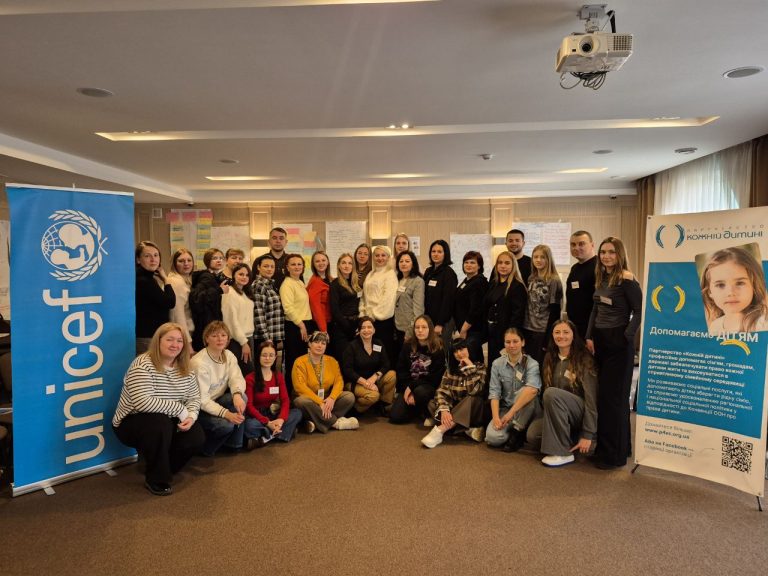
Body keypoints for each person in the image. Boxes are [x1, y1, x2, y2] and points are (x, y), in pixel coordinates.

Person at [112, 322, 204, 496]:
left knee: (196, 436)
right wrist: (179, 410)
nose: (175, 345)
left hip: (166, 419)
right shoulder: (142, 364)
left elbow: (194, 397)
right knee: (160, 423)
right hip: (132, 422)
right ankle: (156, 478)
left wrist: (191, 416)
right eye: (169, 339)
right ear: (158, 341)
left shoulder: (186, 367)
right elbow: (142, 402)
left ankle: (164, 466)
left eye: (179, 341)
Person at [586, 236, 642, 470]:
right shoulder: (602, 277)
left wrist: (626, 335)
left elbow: (640, 311)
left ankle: (613, 456)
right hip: (600, 341)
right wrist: (589, 336)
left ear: (620, 255)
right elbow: (595, 310)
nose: (606, 256)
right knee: (605, 399)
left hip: (618, 343)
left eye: (611, 252)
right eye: (603, 252)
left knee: (614, 401)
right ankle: (617, 448)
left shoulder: (626, 279)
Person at [527, 320, 598, 467]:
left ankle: (563, 453)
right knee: (533, 435)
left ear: (573, 335)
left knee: (551, 393)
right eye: (557, 332)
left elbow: (592, 399)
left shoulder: (584, 359)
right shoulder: (549, 358)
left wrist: (588, 434)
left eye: (566, 332)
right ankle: (568, 439)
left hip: (579, 413)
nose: (561, 336)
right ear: (552, 335)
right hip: (558, 414)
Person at [190, 321, 248, 456]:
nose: (220, 339)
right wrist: (227, 414)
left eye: (223, 335)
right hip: (197, 408)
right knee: (225, 425)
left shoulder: (228, 355)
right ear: (207, 339)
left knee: (242, 397)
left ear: (228, 339)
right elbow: (202, 400)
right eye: (214, 335)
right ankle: (206, 450)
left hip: (215, 400)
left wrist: (237, 394)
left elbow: (236, 377)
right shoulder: (199, 363)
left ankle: (234, 444)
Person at [421, 338, 487, 448]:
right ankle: (465, 430)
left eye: (462, 349)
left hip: (472, 410)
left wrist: (469, 368)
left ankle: (441, 430)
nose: (459, 354)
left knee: (471, 399)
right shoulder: (450, 370)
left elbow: (474, 391)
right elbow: (442, 391)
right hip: (454, 408)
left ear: (469, 349)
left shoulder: (481, 367)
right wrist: (444, 409)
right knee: (432, 403)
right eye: (455, 351)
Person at [484, 327, 541, 452]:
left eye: (515, 341)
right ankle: (514, 430)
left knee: (527, 392)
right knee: (493, 438)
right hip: (506, 409)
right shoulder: (497, 364)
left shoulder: (532, 364)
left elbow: (532, 390)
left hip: (528, 409)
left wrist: (510, 414)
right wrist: (496, 418)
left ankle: (517, 432)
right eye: (508, 342)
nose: (511, 345)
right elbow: (494, 393)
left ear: (523, 342)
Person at [292, 331, 358, 433]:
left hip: (326, 398)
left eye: (323, 343)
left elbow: (339, 381)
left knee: (349, 397)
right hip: (309, 399)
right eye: (316, 342)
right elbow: (300, 387)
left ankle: (315, 422)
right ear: (309, 344)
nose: (320, 346)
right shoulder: (299, 362)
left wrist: (332, 398)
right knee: (300, 401)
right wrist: (320, 402)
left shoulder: (332, 361)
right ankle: (335, 423)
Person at [389, 315, 446, 424]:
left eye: (424, 327)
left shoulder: (437, 347)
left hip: (427, 386)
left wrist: (412, 387)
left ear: (430, 329)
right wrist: (408, 389)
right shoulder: (407, 345)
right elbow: (401, 370)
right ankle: (418, 410)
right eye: (417, 327)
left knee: (420, 393)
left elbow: (435, 378)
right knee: (396, 417)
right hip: (408, 386)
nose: (420, 330)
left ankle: (422, 407)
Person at [244, 341, 302, 445]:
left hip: (273, 412)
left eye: (271, 355)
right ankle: (282, 433)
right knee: (249, 425)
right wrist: (267, 422)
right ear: (258, 357)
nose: (267, 358)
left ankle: (265, 437)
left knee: (297, 413)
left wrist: (280, 419)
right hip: (256, 416)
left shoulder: (278, 376)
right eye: (264, 355)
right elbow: (249, 406)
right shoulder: (250, 378)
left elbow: (285, 400)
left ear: (275, 357)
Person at [700, 246, 768, 334]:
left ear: (754, 285)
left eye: (740, 283)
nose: (730, 293)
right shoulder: (714, 327)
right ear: (709, 291)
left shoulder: (762, 324)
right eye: (720, 285)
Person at [342, 316, 397, 414]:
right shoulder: (352, 346)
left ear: (374, 330)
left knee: (392, 375)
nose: (366, 330)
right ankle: (355, 409)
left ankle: (383, 406)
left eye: (369, 327)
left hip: (372, 380)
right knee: (374, 396)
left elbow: (386, 364)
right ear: (359, 331)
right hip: (355, 382)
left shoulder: (378, 343)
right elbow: (348, 370)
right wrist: (365, 383)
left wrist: (375, 377)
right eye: (363, 328)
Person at [280, 253, 317, 393]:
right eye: (293, 264)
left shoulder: (300, 282)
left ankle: (301, 390)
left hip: (304, 324)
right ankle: (290, 393)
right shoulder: (287, 284)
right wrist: (301, 325)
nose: (297, 267)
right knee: (294, 361)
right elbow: (288, 308)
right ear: (287, 267)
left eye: (299, 264)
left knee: (303, 360)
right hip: (295, 326)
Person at [483, 251, 527, 367]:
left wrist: (510, 338)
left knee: (504, 366)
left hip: (506, 333)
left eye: (507, 263)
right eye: (500, 263)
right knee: (493, 364)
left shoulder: (517, 286)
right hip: (492, 332)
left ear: (513, 265)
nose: (503, 266)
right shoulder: (494, 283)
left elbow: (518, 316)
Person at [523, 244, 563, 365]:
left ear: (548, 259)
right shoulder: (531, 278)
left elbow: (555, 310)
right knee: (528, 364)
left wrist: (549, 336)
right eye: (535, 257)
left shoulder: (554, 280)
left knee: (540, 364)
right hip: (528, 327)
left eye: (542, 257)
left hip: (542, 330)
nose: (538, 260)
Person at [135, 241, 176, 355]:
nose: (153, 259)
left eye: (156, 255)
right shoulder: (143, 280)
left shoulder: (147, 277)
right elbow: (170, 302)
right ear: (138, 260)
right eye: (147, 256)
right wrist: (166, 280)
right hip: (147, 337)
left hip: (150, 335)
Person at [359, 245, 399, 364]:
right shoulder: (371, 274)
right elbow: (364, 296)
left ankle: (386, 375)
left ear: (388, 257)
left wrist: (373, 316)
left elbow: (388, 299)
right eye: (377, 255)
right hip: (368, 320)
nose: (380, 258)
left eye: (383, 255)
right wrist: (363, 315)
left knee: (383, 352)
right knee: (372, 352)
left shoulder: (390, 274)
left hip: (382, 320)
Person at [189, 248, 229, 351]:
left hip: (210, 326)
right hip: (206, 326)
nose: (219, 260)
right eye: (214, 258)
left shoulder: (215, 277)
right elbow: (196, 299)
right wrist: (219, 290)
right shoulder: (206, 277)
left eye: (221, 258)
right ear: (207, 261)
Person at [453, 250, 488, 364]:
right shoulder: (467, 281)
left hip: (473, 330)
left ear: (479, 266)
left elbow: (475, 309)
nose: (468, 265)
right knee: (473, 359)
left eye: (472, 262)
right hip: (466, 329)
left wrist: (464, 329)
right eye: (466, 262)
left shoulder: (479, 282)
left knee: (470, 360)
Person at [423, 239, 458, 351]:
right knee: (429, 350)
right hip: (428, 320)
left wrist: (440, 324)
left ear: (445, 254)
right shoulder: (428, 271)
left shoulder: (449, 274)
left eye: (439, 251)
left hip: (443, 322)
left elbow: (448, 301)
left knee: (441, 351)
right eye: (433, 251)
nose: (436, 254)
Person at [221, 262, 255, 375]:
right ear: (234, 275)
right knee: (243, 373)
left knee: (249, 374)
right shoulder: (229, 292)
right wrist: (243, 343)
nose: (244, 277)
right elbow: (231, 321)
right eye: (241, 274)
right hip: (237, 340)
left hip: (248, 337)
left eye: (247, 275)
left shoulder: (245, 292)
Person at [565, 230, 597, 340]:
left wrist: (591, 335)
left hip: (591, 330)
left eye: (581, 244)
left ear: (592, 245)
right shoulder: (575, 268)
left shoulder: (599, 267)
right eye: (573, 244)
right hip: (575, 328)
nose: (576, 247)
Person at [329, 253, 362, 359]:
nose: (347, 266)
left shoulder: (356, 284)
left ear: (353, 266)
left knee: (355, 359)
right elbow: (335, 310)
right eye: (343, 263)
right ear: (339, 265)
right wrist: (348, 327)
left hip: (356, 326)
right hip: (341, 328)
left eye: (350, 263)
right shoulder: (335, 284)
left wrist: (358, 325)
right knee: (343, 359)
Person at [393, 250, 425, 356]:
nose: (404, 263)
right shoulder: (397, 280)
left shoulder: (418, 281)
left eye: (407, 261)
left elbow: (418, 310)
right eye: (401, 261)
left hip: (408, 328)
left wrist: (410, 331)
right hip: (396, 327)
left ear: (413, 264)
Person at [251, 254, 285, 352]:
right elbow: (258, 314)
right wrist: (267, 338)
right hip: (263, 338)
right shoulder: (259, 285)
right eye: (266, 266)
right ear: (258, 267)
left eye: (272, 266)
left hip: (272, 336)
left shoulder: (270, 285)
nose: (269, 269)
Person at [167, 248, 196, 356]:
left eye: (189, 260)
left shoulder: (185, 280)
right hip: (181, 336)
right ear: (174, 263)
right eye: (181, 261)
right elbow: (177, 315)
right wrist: (187, 343)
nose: (186, 264)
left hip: (185, 334)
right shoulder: (176, 282)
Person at [307, 250, 334, 337]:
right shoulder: (315, 282)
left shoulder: (330, 279)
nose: (321, 263)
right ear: (313, 264)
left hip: (330, 322)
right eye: (317, 261)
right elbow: (316, 308)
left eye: (323, 260)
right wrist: (324, 330)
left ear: (328, 262)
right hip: (321, 325)